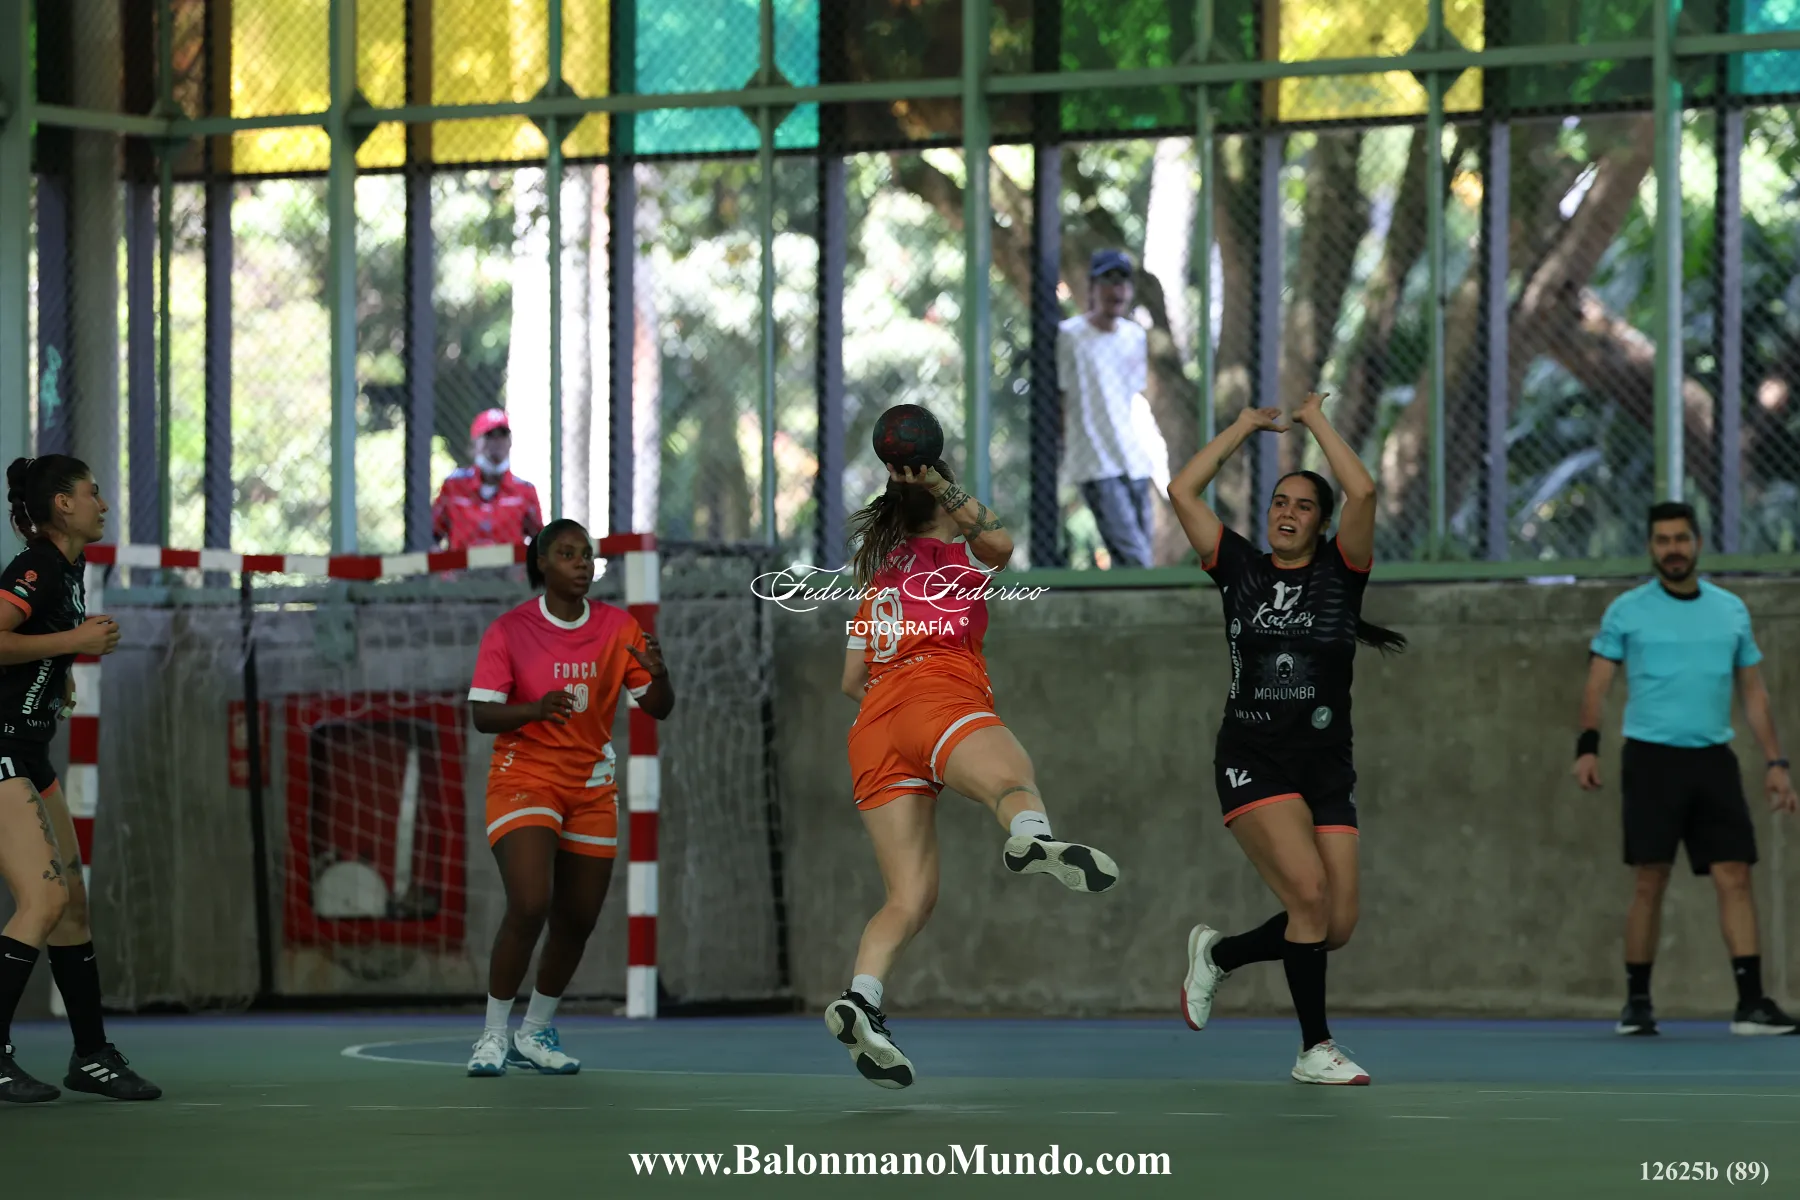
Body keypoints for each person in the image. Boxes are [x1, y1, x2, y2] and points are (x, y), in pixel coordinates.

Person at [827, 456, 1120, 1090]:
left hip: (873, 729)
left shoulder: (877, 577)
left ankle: (861, 1000)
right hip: (938, 697)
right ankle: (1032, 838)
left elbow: (851, 679)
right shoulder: (956, 560)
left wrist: (897, 711)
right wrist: (940, 481)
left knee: (908, 898)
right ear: (943, 501)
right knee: (1013, 781)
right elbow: (1002, 543)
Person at [1166, 394, 1405, 1086]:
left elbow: (1363, 490)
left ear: (1323, 524)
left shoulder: (1342, 572)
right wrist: (1244, 426)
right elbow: (1183, 490)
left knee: (1336, 924)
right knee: (1307, 896)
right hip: (1254, 759)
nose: (1287, 513)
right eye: (1278, 502)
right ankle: (1314, 1048)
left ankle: (1219, 955)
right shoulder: (1239, 568)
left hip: (1326, 765)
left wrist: (1314, 420)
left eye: (1302, 506)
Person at [1574, 501, 1799, 1037]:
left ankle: (1750, 1005)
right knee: (1649, 879)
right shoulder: (1627, 611)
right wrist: (1587, 747)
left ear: (1697, 543)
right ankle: (1637, 1004)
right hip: (1651, 761)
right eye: (1662, 540)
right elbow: (1598, 684)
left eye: (1680, 539)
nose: (1672, 549)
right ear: (1651, 548)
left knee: (1735, 875)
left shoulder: (1731, 611)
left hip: (1713, 761)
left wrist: (1776, 762)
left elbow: (1754, 693)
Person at [464, 519, 674, 1076]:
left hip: (590, 787)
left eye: (587, 555)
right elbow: (482, 714)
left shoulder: (618, 627)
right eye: (567, 554)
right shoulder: (509, 631)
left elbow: (658, 707)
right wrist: (534, 710)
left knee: (577, 918)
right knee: (531, 901)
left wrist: (659, 675)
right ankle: (492, 1036)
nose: (582, 564)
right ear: (542, 563)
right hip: (525, 778)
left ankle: (534, 1032)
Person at [0, 455, 161, 1104]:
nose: (104, 503)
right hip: (1, 750)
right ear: (63, 505)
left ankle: (91, 1055)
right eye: (93, 492)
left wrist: (59, 670)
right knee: (42, 901)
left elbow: (40, 644)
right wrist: (73, 642)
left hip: (31, 752)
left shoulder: (71, 567)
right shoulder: (35, 567)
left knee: (70, 903)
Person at [1058, 249, 1158, 569]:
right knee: (1135, 557)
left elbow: (1136, 396)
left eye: (1123, 282)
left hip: (1134, 457)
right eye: (1108, 281)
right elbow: (1062, 397)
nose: (1116, 290)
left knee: (1137, 551)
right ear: (1092, 288)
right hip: (1094, 459)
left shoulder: (1134, 336)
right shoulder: (1070, 336)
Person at [433, 409, 545, 551]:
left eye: (503, 436)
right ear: (474, 444)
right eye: (490, 436)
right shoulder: (454, 487)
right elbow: (431, 533)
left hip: (509, 565)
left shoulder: (524, 491)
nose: (497, 443)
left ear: (510, 442)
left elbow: (540, 540)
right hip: (462, 565)